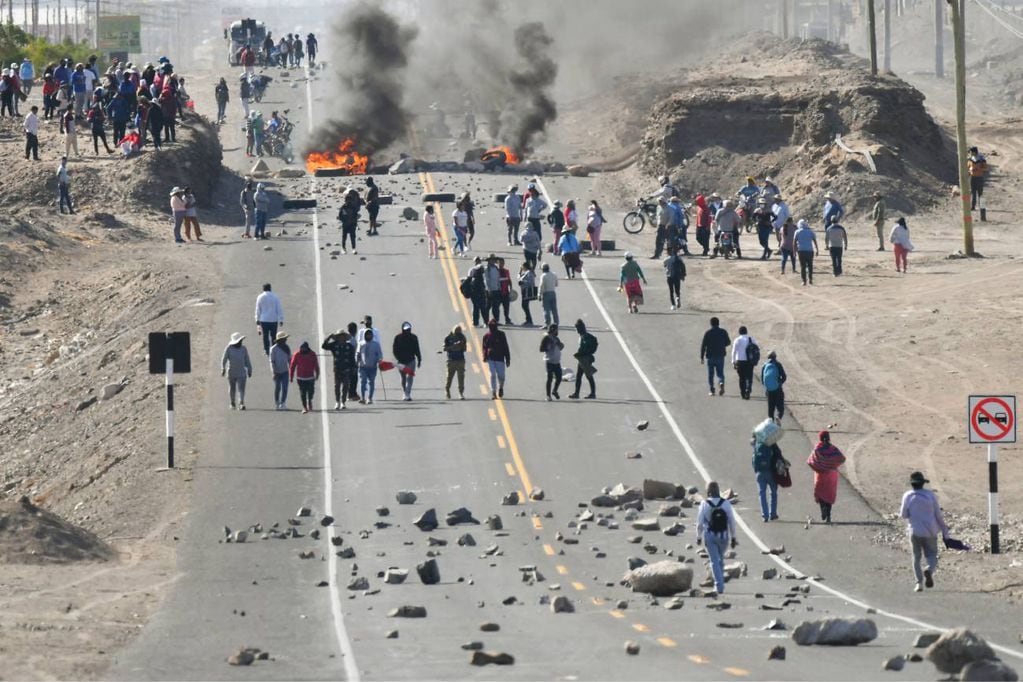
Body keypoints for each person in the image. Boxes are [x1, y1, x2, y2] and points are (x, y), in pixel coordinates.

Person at [900, 471, 951, 592]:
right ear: (923, 483)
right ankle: (929, 569)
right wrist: (944, 529)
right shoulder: (930, 495)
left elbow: (903, 514)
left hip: (914, 530)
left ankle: (919, 583)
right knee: (932, 555)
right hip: (930, 530)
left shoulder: (907, 495)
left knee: (916, 557)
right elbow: (938, 515)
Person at [696, 481, 737, 594]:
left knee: (714, 561)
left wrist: (698, 537)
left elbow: (700, 523)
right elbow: (732, 522)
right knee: (720, 559)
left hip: (710, 536)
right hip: (724, 536)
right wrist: (733, 537)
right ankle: (720, 582)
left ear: (708, 491)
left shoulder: (704, 504)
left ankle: (719, 586)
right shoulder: (726, 503)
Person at [807, 430, 845, 524]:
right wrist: (831, 465)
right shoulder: (833, 449)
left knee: (821, 495)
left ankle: (822, 511)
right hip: (832, 476)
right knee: (829, 495)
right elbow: (842, 458)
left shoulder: (817, 449)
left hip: (820, 476)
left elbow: (810, 461)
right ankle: (828, 516)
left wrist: (820, 466)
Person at [752, 424, 781, 522]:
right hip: (770, 472)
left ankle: (765, 515)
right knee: (773, 492)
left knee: (762, 493)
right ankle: (773, 514)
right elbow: (778, 455)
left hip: (759, 472)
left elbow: (753, 459)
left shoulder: (756, 444)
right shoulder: (771, 444)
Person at [322, 330, 356, 410]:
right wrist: (329, 337)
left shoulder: (349, 346)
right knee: (337, 386)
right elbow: (324, 346)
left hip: (346, 369)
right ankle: (337, 402)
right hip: (337, 369)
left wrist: (353, 368)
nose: (341, 337)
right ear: (337, 337)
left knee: (345, 386)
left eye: (343, 336)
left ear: (345, 337)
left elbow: (352, 359)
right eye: (339, 336)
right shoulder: (334, 345)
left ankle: (343, 402)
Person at [221, 331, 253, 410]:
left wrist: (249, 369)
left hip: (242, 372)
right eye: (239, 341)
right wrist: (223, 368)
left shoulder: (243, 349)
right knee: (232, 388)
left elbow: (247, 360)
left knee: (241, 388)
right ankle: (232, 403)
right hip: (231, 372)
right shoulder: (229, 348)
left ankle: (241, 402)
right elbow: (224, 359)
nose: (240, 342)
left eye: (241, 341)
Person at [700, 316, 731, 396]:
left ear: (711, 324)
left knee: (711, 374)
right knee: (720, 373)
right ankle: (721, 382)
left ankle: (712, 389)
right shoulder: (723, 332)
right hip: (720, 356)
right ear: (718, 323)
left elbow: (703, 345)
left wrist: (702, 357)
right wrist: (721, 345)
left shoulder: (708, 333)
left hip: (710, 356)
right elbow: (728, 342)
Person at [569, 319, 598, 400]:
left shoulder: (584, 337)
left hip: (584, 358)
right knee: (580, 376)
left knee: (588, 376)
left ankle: (591, 393)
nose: (576, 330)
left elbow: (584, 348)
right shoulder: (585, 336)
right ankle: (577, 393)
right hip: (583, 358)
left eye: (577, 328)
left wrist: (579, 353)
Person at [392, 322, 422, 401]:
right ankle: (405, 391)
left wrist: (419, 359)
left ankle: (407, 394)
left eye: (409, 329)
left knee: (410, 378)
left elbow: (417, 349)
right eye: (406, 329)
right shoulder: (397, 338)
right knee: (403, 378)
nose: (408, 331)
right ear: (403, 329)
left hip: (411, 361)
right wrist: (398, 358)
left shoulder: (414, 337)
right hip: (401, 361)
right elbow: (395, 350)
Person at [482, 318, 510, 399]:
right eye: (490, 326)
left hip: (500, 358)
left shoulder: (501, 334)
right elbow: (484, 347)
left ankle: (501, 387)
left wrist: (507, 359)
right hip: (491, 358)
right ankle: (493, 392)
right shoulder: (486, 336)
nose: (492, 327)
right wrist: (484, 356)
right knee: (492, 375)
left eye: (493, 326)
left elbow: (505, 347)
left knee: (501, 376)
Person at [254, 283, 285, 356]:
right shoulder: (275, 297)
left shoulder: (260, 297)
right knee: (273, 335)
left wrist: (257, 319)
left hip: (264, 320)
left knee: (265, 336)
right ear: (270, 288)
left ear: (263, 289)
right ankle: (274, 349)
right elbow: (279, 308)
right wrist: (281, 319)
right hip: (273, 319)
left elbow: (258, 309)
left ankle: (266, 349)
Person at [289, 341, 320, 414]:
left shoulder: (312, 354)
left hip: (310, 377)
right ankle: (304, 407)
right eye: (301, 348)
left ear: (307, 348)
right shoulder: (297, 354)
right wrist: (291, 376)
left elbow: (316, 365)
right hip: (301, 378)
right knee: (303, 393)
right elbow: (292, 366)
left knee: (311, 392)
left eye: (303, 348)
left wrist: (317, 374)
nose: (302, 349)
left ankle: (309, 401)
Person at [731, 325, 758, 400]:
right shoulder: (751, 339)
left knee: (741, 378)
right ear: (746, 332)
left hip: (740, 362)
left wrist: (733, 362)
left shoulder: (737, 340)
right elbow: (756, 348)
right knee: (749, 377)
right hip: (749, 362)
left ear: (739, 332)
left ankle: (743, 393)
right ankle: (748, 390)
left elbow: (733, 351)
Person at [357, 329, 383, 405]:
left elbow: (380, 354)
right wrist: (357, 361)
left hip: (373, 367)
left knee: (371, 382)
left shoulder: (376, 344)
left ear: (372, 335)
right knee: (363, 381)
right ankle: (362, 397)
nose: (368, 336)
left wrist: (380, 360)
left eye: (370, 334)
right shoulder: (361, 344)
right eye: (367, 334)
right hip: (363, 367)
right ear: (364, 335)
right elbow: (358, 353)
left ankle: (370, 398)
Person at [540, 324, 564, 401]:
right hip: (549, 361)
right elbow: (541, 349)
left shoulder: (556, 338)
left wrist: (559, 343)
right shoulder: (546, 338)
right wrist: (548, 346)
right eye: (556, 330)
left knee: (559, 377)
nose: (557, 331)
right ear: (553, 330)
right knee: (549, 378)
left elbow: (561, 347)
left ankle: (554, 391)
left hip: (557, 361)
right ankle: (548, 395)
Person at [443, 324, 467, 400]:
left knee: (461, 377)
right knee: (449, 377)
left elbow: (465, 349)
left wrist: (462, 345)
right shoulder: (448, 337)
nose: (458, 334)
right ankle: (447, 391)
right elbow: (444, 349)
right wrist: (454, 346)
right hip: (451, 360)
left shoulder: (462, 337)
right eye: (457, 332)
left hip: (460, 360)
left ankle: (461, 393)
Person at [761, 351, 787, 421]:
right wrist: (779, 382)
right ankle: (778, 417)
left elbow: (762, 380)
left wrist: (768, 386)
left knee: (771, 409)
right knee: (780, 408)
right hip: (778, 389)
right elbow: (784, 377)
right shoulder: (778, 364)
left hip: (769, 390)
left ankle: (770, 424)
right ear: (775, 357)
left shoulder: (765, 365)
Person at [793, 219, 818, 286]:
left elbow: (794, 242)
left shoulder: (797, 232)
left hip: (801, 251)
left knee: (803, 266)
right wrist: (817, 249)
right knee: (810, 266)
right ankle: (810, 280)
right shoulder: (810, 231)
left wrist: (794, 251)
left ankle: (804, 281)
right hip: (810, 251)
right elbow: (815, 241)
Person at [270, 331, 291, 410]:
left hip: (285, 371)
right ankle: (277, 403)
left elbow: (290, 360)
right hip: (277, 372)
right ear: (280, 340)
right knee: (278, 387)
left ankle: (283, 403)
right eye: (284, 339)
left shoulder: (287, 348)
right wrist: (273, 372)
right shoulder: (273, 349)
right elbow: (272, 361)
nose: (285, 340)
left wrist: (291, 370)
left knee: (285, 387)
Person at [663, 246, 686, 310]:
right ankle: (677, 297)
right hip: (677, 276)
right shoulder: (679, 258)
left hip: (669, 277)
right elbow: (683, 266)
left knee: (671, 291)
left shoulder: (666, 260)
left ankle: (673, 305)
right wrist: (683, 275)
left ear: (668, 252)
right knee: (677, 290)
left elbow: (664, 266)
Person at [466, 256, 488, 326]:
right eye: (476, 261)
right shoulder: (475, 269)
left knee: (480, 307)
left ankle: (482, 322)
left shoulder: (479, 269)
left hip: (478, 291)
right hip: (477, 291)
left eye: (478, 261)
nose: (477, 262)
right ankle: (477, 322)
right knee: (479, 307)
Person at [338, 188, 361, 253]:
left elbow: (356, 215)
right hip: (345, 224)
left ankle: (353, 248)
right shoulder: (343, 207)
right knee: (344, 236)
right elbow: (340, 216)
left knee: (352, 237)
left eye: (350, 200)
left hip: (352, 224)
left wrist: (354, 222)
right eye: (348, 200)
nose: (349, 202)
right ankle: (343, 248)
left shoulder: (353, 207)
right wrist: (343, 221)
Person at [967, 146, 987, 212]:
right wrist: (970, 171)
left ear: (974, 152)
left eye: (970, 152)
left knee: (980, 193)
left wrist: (979, 169)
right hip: (972, 178)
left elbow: (985, 168)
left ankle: (983, 207)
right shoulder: (970, 159)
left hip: (979, 178)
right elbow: (968, 168)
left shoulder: (981, 159)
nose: (970, 153)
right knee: (973, 192)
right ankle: (973, 207)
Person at [539, 262, 559, 326]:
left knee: (546, 309)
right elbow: (556, 284)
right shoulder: (554, 274)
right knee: (554, 309)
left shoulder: (543, 276)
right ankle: (556, 322)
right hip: (553, 292)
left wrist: (539, 294)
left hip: (546, 293)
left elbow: (541, 286)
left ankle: (547, 323)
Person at [497, 258, 513, 324]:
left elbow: (509, 280)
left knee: (506, 307)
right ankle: (496, 320)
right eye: (500, 263)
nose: (501, 264)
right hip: (498, 292)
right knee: (496, 307)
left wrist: (511, 289)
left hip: (505, 292)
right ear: (497, 263)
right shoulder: (496, 271)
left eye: (502, 263)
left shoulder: (506, 271)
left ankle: (507, 319)